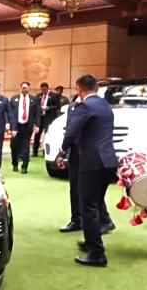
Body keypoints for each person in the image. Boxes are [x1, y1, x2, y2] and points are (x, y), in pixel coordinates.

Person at [56, 74, 118, 267]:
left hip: (91, 162)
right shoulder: (105, 105)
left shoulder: (84, 106)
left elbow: (71, 132)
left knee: (88, 206)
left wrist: (61, 152)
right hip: (108, 161)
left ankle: (96, 253)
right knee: (97, 203)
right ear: (97, 88)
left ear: (79, 89)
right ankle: (91, 241)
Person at [59, 97, 116, 234]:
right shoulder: (74, 106)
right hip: (76, 152)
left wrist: (62, 150)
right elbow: (70, 130)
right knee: (75, 187)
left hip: (90, 154)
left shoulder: (96, 106)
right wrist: (66, 151)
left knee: (91, 192)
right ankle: (77, 220)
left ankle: (104, 220)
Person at [10, 82, 40, 174]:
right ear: (20, 88)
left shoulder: (34, 99)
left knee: (26, 146)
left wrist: (37, 125)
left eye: (26, 88)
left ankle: (24, 167)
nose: (24, 89)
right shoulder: (14, 99)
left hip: (28, 126)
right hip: (16, 126)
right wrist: (12, 127)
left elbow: (37, 113)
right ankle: (15, 164)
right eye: (23, 87)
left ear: (29, 88)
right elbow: (11, 114)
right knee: (14, 146)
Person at [33, 82, 61, 157]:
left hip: (49, 118)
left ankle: (46, 152)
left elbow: (57, 106)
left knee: (47, 135)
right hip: (40, 118)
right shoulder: (38, 96)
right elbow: (35, 106)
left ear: (47, 88)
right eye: (42, 90)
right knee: (37, 134)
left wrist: (48, 108)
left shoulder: (54, 95)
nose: (43, 91)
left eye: (44, 89)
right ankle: (34, 151)